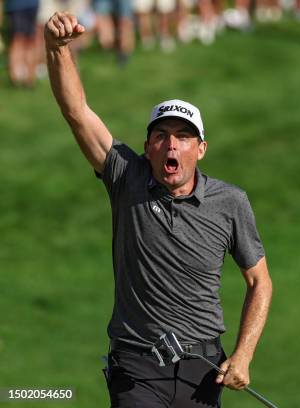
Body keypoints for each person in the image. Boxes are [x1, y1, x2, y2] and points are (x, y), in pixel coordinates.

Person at [45, 11, 273, 407]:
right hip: (137, 365)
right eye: (162, 136)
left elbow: (260, 282)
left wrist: (244, 354)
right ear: (148, 146)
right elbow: (77, 112)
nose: (172, 146)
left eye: (184, 137)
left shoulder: (229, 202)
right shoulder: (125, 176)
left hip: (202, 367)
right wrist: (58, 49)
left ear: (200, 149)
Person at [4, 0, 40, 86]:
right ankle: (20, 78)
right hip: (22, 5)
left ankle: (24, 78)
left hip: (22, 5)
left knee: (23, 41)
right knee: (22, 41)